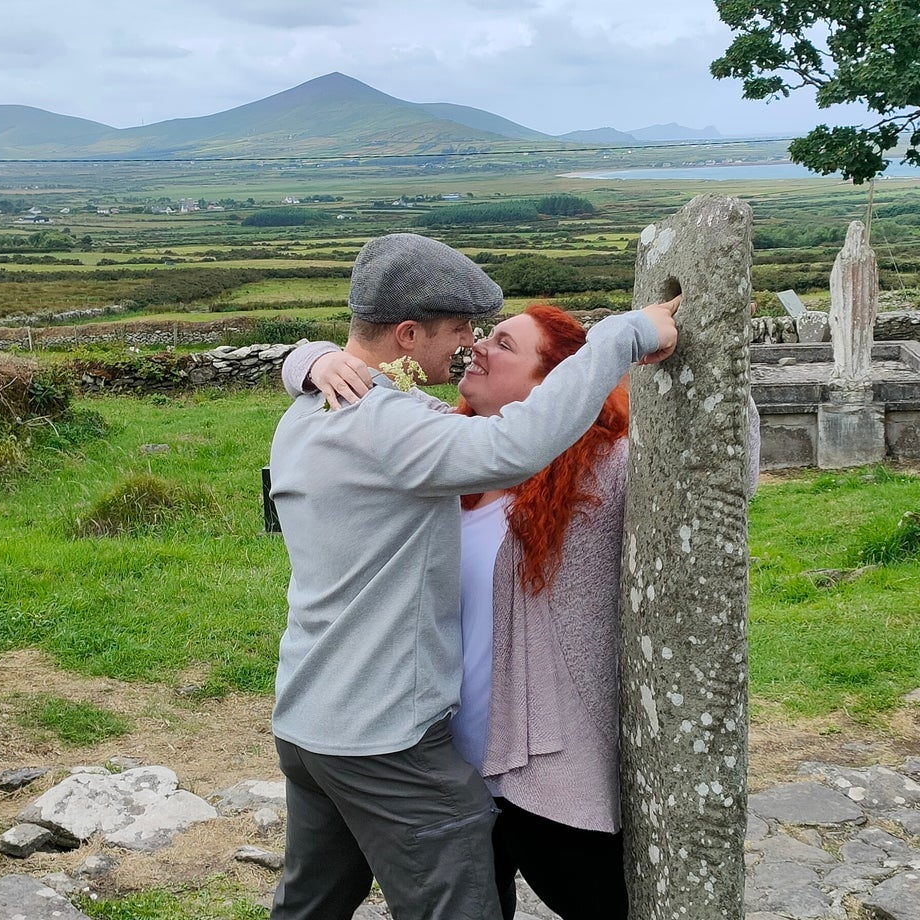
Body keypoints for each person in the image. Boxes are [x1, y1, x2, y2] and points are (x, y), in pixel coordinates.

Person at [291, 303, 760, 920]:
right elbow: (359, 397)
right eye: (484, 334)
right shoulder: (439, 451)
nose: (479, 346)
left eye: (505, 344)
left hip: (546, 772)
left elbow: (720, 475)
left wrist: (725, 364)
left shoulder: (604, 470)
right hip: (442, 759)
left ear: (555, 382)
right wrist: (309, 359)